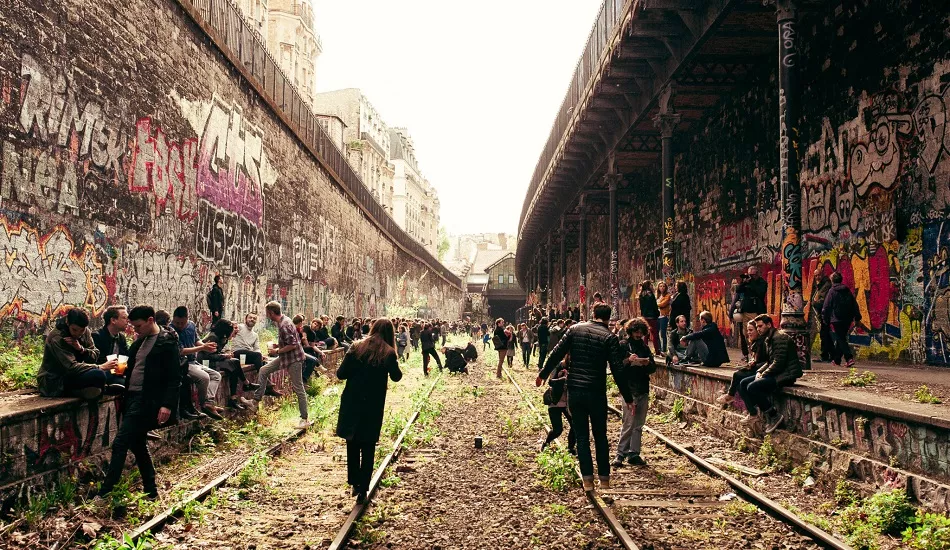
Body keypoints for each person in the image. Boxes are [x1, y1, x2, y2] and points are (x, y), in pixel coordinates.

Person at [537, 303, 633, 492]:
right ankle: (604, 480)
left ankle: (588, 480)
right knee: (600, 436)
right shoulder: (609, 337)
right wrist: (628, 398)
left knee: (581, 436)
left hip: (576, 392)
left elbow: (556, 353)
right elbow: (617, 370)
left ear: (592, 314)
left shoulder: (574, 330)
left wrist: (543, 373)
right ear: (608, 317)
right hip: (596, 393)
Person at [98, 305, 180, 500]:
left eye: (139, 326)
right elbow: (127, 367)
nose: (135, 330)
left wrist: (167, 404)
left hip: (147, 401)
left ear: (151, 321)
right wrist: (104, 368)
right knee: (137, 443)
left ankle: (106, 492)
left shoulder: (166, 343)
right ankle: (151, 490)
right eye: (133, 327)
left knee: (120, 443)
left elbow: (174, 377)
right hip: (132, 397)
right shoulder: (140, 342)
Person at [336, 318, 403, 504]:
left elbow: (341, 374)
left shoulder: (356, 347)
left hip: (352, 401)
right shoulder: (389, 353)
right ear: (390, 333)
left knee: (352, 442)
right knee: (368, 445)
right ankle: (363, 489)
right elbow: (397, 377)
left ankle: (355, 482)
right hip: (373, 405)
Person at [242, 302, 310, 429]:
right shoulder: (283, 321)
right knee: (263, 370)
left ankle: (304, 419)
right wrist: (278, 346)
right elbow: (289, 342)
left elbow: (294, 344)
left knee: (298, 388)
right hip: (285, 357)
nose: (267, 316)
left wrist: (277, 351)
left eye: (267, 313)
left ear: (272, 313)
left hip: (294, 359)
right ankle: (255, 402)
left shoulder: (285, 324)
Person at [738, 314, 803, 433]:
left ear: (769, 325)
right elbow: (770, 362)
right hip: (777, 373)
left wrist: (763, 375)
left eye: (760, 326)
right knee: (743, 383)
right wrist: (759, 372)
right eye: (757, 327)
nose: (758, 329)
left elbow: (778, 363)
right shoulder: (769, 337)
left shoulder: (779, 338)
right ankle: (754, 414)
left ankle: (774, 415)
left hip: (786, 375)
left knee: (752, 387)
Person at [38, 308, 119, 398]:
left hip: (76, 374)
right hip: (55, 380)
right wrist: (100, 367)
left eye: (81, 330)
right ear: (68, 323)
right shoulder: (57, 337)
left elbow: (95, 355)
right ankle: (79, 391)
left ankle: (89, 390)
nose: (78, 334)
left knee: (109, 374)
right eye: (74, 330)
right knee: (99, 374)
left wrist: (81, 349)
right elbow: (71, 367)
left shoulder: (85, 331)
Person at [613, 318, 657, 467]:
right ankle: (620, 454)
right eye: (636, 332)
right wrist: (628, 361)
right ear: (630, 331)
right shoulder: (623, 346)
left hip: (643, 388)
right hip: (629, 390)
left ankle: (634, 453)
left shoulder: (645, 347)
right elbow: (617, 367)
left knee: (638, 424)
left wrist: (647, 363)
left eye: (641, 332)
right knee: (628, 423)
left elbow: (653, 368)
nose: (639, 335)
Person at [171, 307, 227, 420]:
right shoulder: (171, 330)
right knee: (204, 378)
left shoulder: (191, 325)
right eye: (177, 322)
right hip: (183, 363)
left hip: (194, 361)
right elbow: (180, 351)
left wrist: (206, 346)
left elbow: (196, 340)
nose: (180, 325)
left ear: (187, 319)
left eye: (182, 323)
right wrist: (202, 347)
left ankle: (209, 402)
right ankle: (203, 405)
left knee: (216, 375)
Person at [200, 319, 257, 411]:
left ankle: (233, 398)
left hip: (215, 360)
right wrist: (224, 356)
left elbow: (217, 352)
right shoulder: (213, 337)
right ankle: (246, 384)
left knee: (234, 366)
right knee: (233, 363)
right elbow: (209, 355)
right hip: (206, 362)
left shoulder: (222, 337)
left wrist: (225, 354)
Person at [716, 321, 763, 406]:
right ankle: (751, 409)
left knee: (738, 376)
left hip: (760, 371)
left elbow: (763, 361)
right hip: (757, 369)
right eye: (748, 330)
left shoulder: (761, 343)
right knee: (739, 378)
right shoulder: (755, 343)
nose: (748, 332)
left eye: (751, 330)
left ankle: (730, 395)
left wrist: (753, 363)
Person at [823, 272, 861, 368]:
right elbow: (854, 304)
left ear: (832, 280)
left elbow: (826, 306)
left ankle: (849, 358)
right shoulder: (847, 290)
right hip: (847, 319)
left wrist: (825, 319)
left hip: (836, 319)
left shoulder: (832, 291)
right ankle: (837, 360)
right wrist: (857, 317)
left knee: (840, 338)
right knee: (841, 337)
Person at [540, 354, 575, 454]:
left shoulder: (577, 368)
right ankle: (546, 443)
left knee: (574, 426)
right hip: (555, 402)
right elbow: (551, 382)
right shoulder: (560, 366)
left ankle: (571, 448)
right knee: (558, 429)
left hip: (568, 403)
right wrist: (563, 379)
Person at [736, 266, 768, 362]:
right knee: (746, 333)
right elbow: (738, 290)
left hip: (756, 311)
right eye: (749, 275)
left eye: (753, 275)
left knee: (756, 334)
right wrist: (744, 282)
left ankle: (757, 354)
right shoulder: (747, 282)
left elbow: (760, 293)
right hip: (746, 311)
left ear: (757, 274)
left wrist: (752, 283)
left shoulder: (762, 282)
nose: (751, 277)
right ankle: (750, 353)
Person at [810, 269, 834, 363]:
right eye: (815, 276)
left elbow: (822, 301)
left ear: (823, 274)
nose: (817, 277)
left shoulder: (825, 285)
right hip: (823, 314)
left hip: (826, 314)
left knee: (825, 335)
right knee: (825, 335)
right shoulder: (820, 285)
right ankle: (829, 355)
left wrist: (814, 303)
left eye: (819, 275)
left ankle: (826, 356)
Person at [638, 282, 662, 355]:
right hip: (652, 316)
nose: (652, 286)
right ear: (648, 286)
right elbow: (654, 306)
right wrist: (657, 313)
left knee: (646, 334)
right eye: (651, 285)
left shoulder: (641, 295)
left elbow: (641, 307)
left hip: (645, 316)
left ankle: (645, 350)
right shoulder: (651, 295)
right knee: (655, 334)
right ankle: (657, 351)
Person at [656, 282, 671, 354]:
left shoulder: (668, 295)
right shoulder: (658, 296)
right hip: (657, 317)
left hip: (663, 316)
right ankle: (658, 349)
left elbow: (663, 304)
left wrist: (655, 304)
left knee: (663, 334)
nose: (662, 287)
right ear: (658, 288)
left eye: (663, 286)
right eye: (660, 286)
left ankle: (664, 350)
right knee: (656, 333)